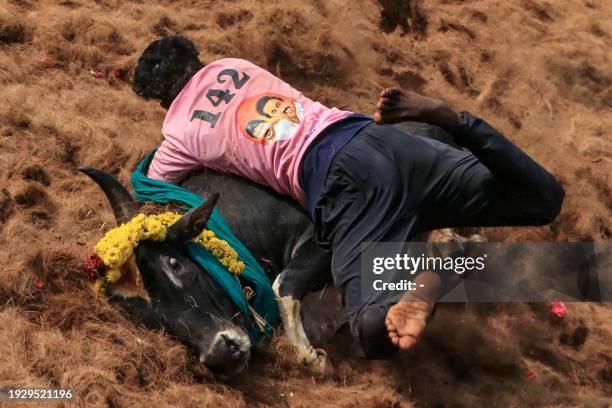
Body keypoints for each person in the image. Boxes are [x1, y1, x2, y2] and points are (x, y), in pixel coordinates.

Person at [132, 36, 565, 358]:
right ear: (195, 59)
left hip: (343, 186)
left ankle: (425, 281)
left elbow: (152, 194)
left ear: (160, 99)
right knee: (542, 201)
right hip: (379, 138)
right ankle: (458, 121)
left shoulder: (178, 133)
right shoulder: (235, 64)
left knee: (373, 335)